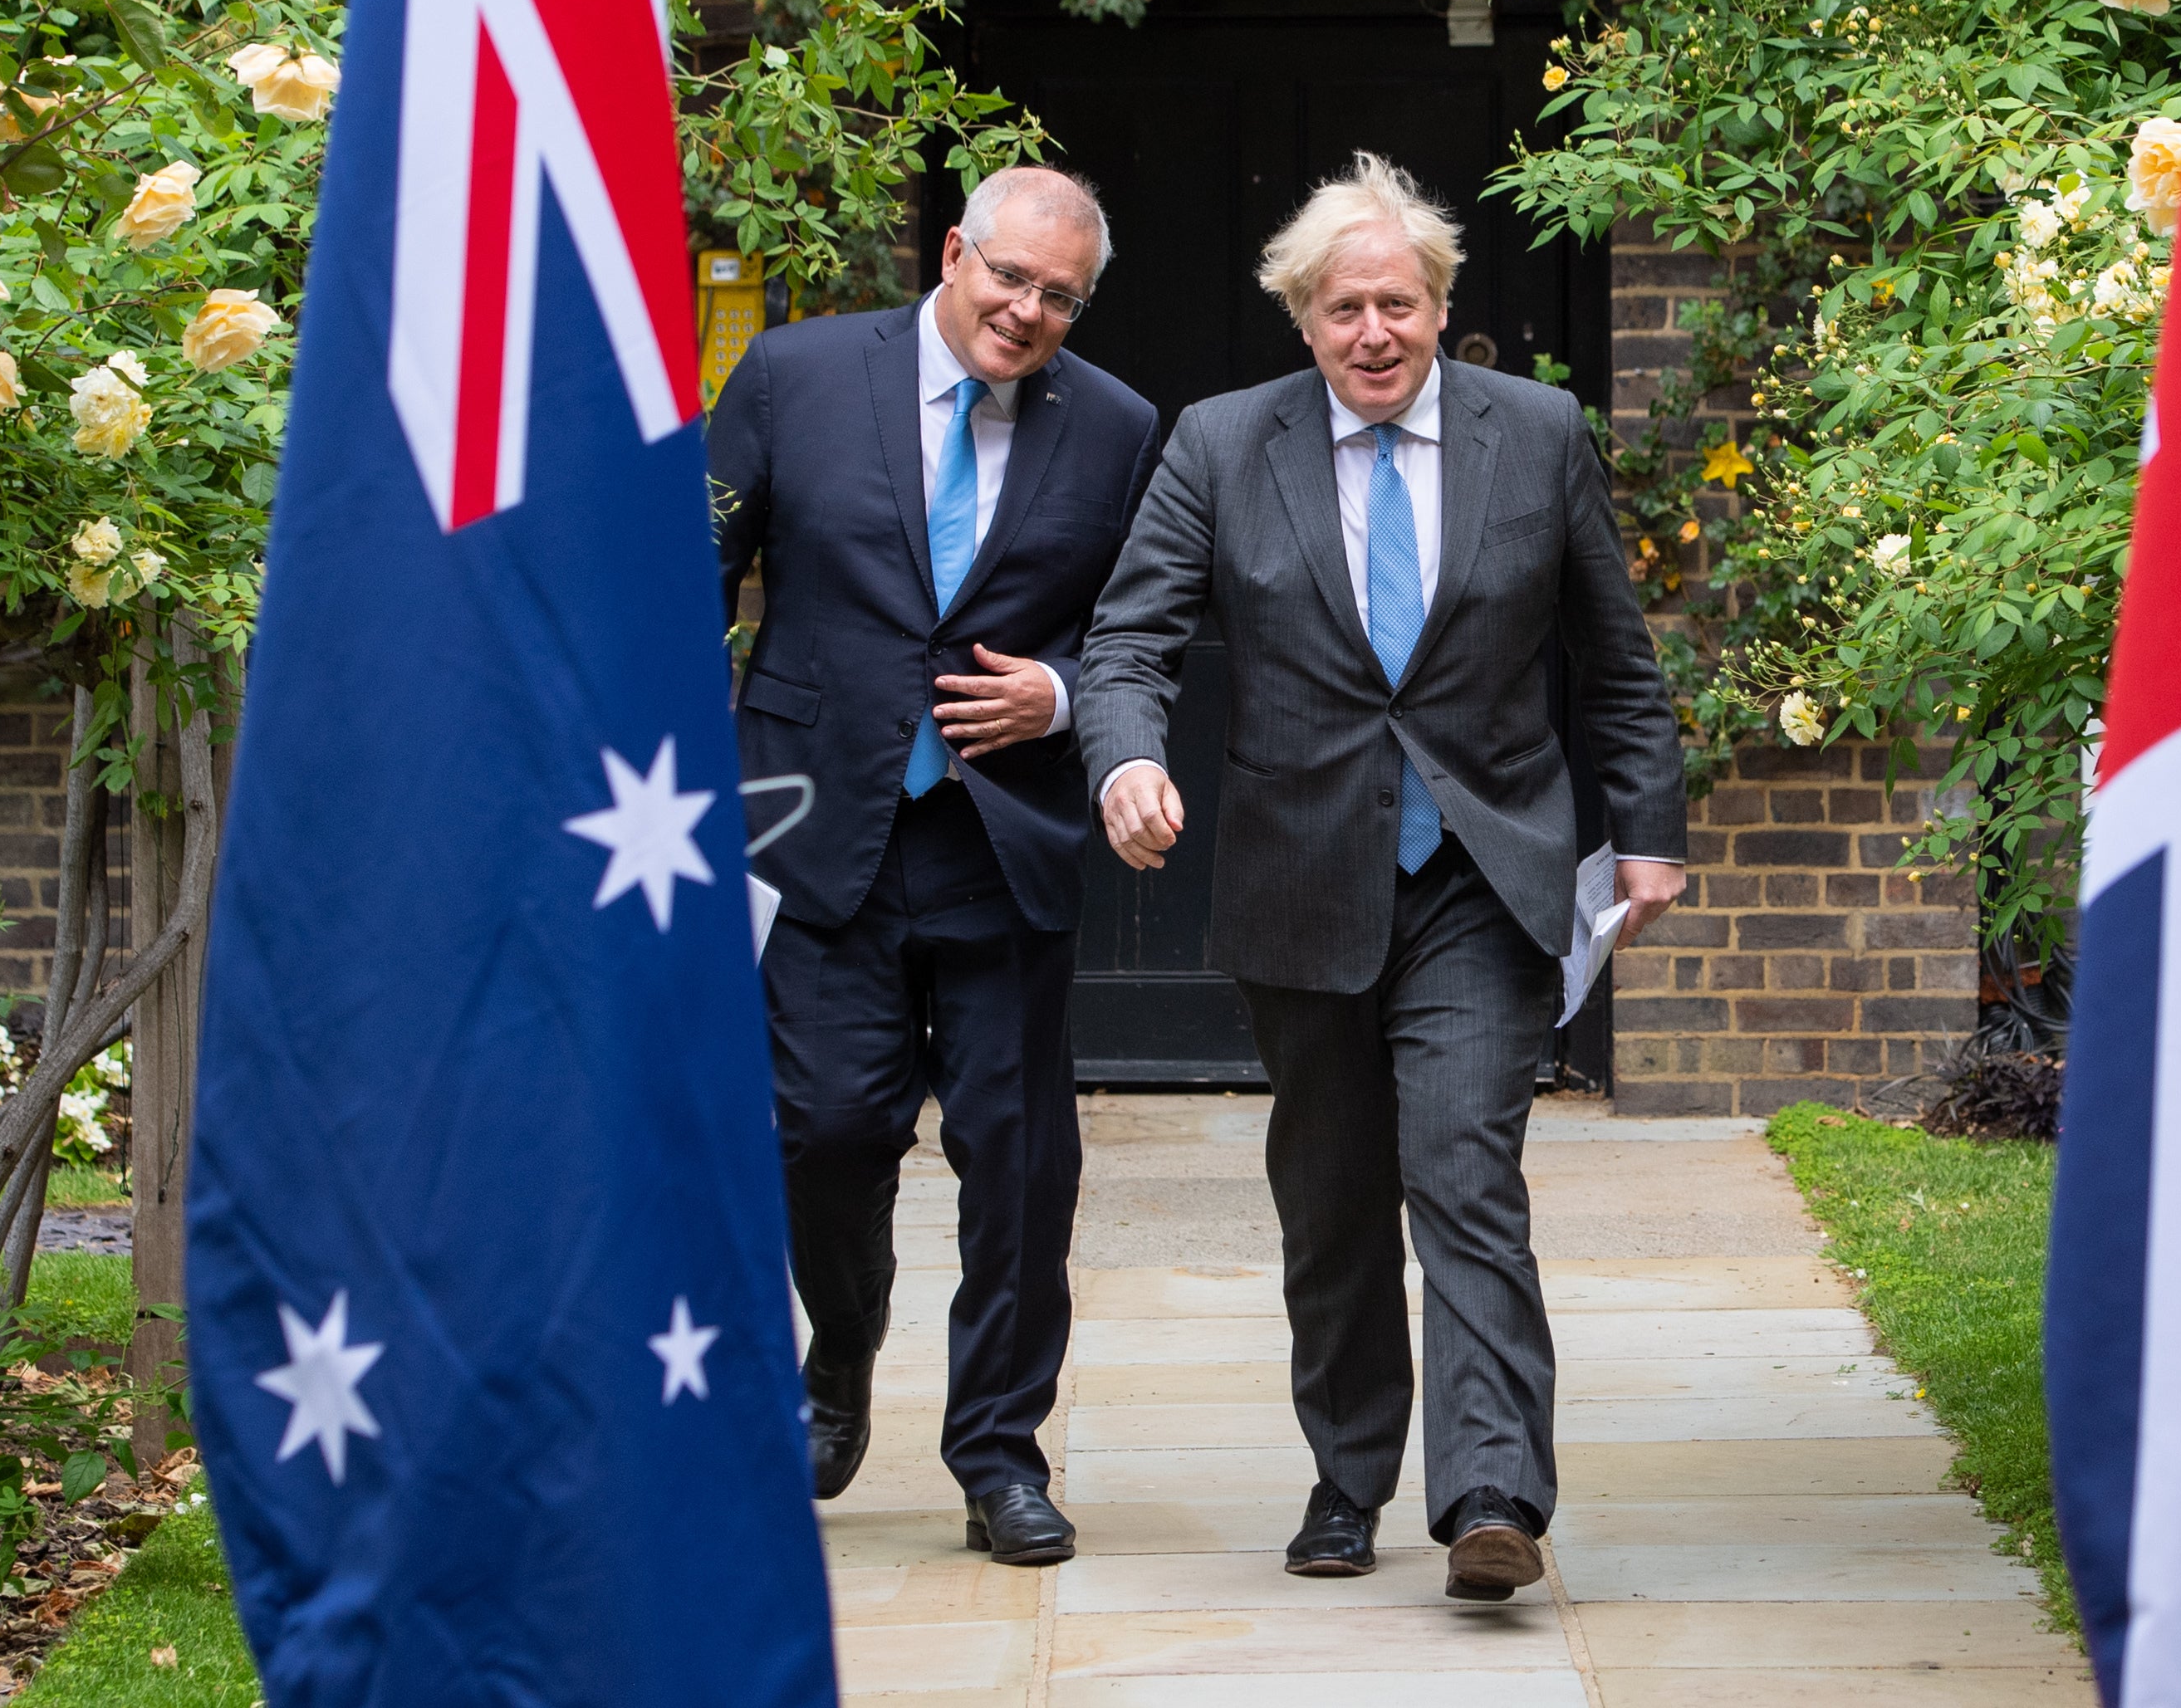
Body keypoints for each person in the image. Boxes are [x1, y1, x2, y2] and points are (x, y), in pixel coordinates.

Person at [1077, 153, 1688, 1602]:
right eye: (1344, 307)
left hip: (1484, 869)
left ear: (1439, 306)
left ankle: (1491, 1495)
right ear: (1302, 318)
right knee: (1334, 1194)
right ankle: (1347, 1479)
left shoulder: (1534, 436)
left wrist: (1649, 827)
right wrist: (1125, 760)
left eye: (1399, 304)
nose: (1373, 333)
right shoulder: (1224, 445)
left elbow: (1616, 659)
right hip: (1301, 881)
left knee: (1463, 1168)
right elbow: (1129, 640)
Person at [708, 167, 1158, 1569]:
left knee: (1019, 1164)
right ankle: (840, 1350)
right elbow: (684, 573)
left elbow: (1148, 628)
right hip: (815, 829)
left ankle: (1000, 1459)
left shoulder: (1121, 429)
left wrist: (1064, 695)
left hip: (1000, 841)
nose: (1026, 313)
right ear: (954, 252)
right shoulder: (793, 374)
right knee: (824, 1132)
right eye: (1009, 278)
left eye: (1059, 298)